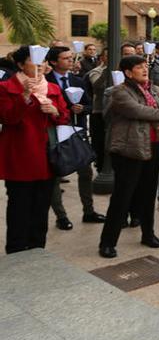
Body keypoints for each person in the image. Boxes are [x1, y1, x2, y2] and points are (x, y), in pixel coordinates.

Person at [99, 55, 159, 258]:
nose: (145, 70)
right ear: (128, 72)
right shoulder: (119, 92)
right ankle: (108, 242)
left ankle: (148, 233)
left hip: (155, 146)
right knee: (122, 196)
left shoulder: (154, 89)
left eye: (145, 66)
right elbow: (137, 110)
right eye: (139, 67)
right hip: (130, 150)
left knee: (148, 193)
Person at [0, 46, 70, 254]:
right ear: (21, 65)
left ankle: (37, 249)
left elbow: (64, 117)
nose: (40, 66)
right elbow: (8, 117)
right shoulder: (6, 87)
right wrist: (25, 97)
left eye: (43, 62)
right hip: (20, 156)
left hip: (47, 156)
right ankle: (16, 249)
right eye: (34, 62)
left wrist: (55, 111)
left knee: (41, 207)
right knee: (19, 207)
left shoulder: (52, 88)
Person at [45, 46, 105, 229]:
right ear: (54, 61)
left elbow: (89, 104)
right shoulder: (45, 82)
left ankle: (89, 211)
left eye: (71, 58)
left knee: (85, 171)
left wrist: (82, 109)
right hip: (55, 132)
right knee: (55, 173)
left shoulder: (77, 80)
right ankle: (61, 215)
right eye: (66, 58)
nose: (71, 61)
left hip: (76, 130)